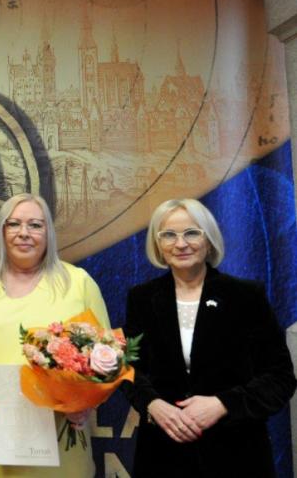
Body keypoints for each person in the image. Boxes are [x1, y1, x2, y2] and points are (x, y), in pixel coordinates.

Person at [0, 193, 110, 478]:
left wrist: (85, 404)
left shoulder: (78, 283)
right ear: (0, 231)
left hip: (60, 438)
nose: (24, 233)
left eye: (35, 225)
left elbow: (107, 354)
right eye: (13, 224)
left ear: (48, 232)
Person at [122, 198, 296, 478]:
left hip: (237, 455)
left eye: (192, 233)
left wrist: (223, 403)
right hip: (163, 455)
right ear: (157, 244)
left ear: (209, 239)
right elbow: (130, 370)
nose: (181, 244)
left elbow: (280, 378)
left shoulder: (246, 296)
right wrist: (153, 405)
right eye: (169, 235)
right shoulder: (141, 298)